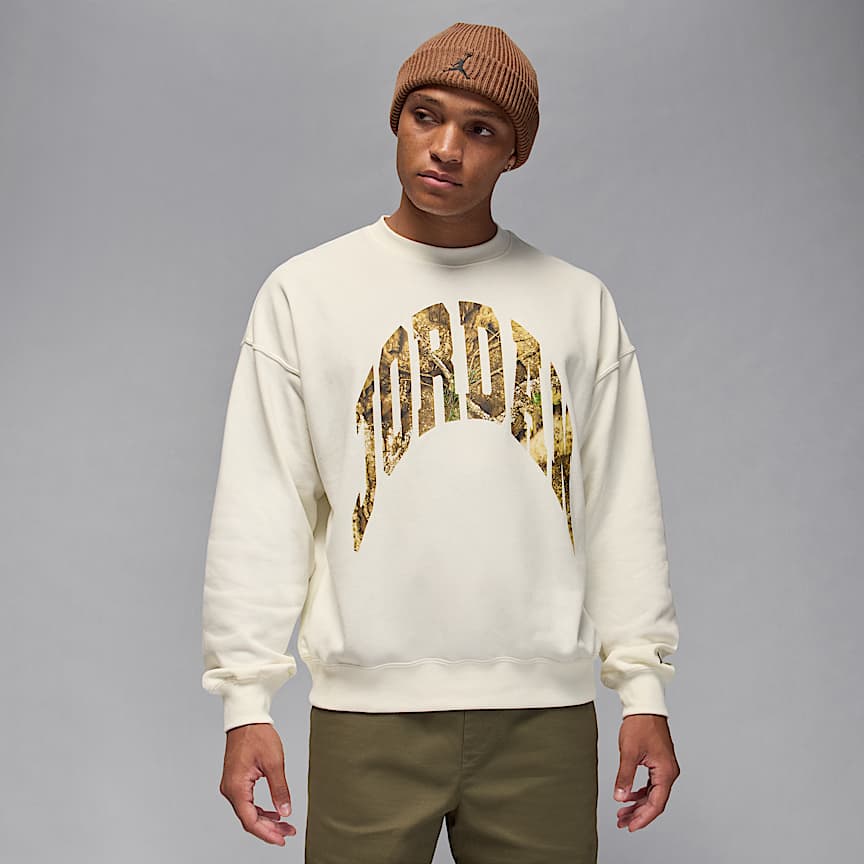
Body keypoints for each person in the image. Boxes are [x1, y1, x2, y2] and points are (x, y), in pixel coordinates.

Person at [201, 21, 681, 863]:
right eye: (426, 115)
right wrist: (247, 701)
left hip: (543, 720)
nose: (447, 148)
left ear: (515, 153)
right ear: (397, 119)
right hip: (366, 718)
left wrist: (643, 688)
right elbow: (265, 504)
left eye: (481, 129)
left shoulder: (577, 303)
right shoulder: (305, 294)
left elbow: (619, 507)